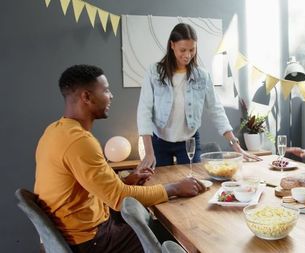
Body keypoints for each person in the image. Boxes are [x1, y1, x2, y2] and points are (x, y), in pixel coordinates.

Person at [34, 65, 205, 253]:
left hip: (79, 231)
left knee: (156, 227)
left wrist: (126, 180)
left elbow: (92, 187)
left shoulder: (55, 131)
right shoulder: (79, 142)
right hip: (89, 241)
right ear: (86, 97)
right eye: (106, 90)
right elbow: (119, 198)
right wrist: (175, 188)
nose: (111, 96)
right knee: (169, 236)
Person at [137, 23, 259, 168]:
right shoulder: (154, 72)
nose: (187, 55)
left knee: (193, 183)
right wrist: (149, 152)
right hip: (159, 141)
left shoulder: (202, 76)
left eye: (192, 50)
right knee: (162, 185)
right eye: (183, 50)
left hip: (189, 141)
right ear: (172, 45)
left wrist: (235, 145)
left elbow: (216, 110)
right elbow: (144, 110)